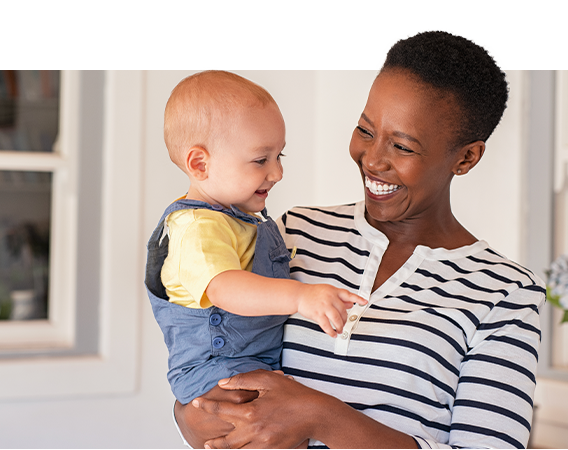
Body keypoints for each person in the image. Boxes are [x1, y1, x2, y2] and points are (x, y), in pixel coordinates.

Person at [173, 30, 546, 450]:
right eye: (365, 131)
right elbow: (208, 343)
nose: (372, 159)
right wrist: (187, 415)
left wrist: (321, 416)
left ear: (466, 158)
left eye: (402, 146)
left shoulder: (505, 293)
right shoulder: (289, 233)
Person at [144, 71, 366, 425]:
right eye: (261, 160)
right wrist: (300, 297)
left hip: (251, 364)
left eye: (280, 156)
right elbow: (226, 288)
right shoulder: (196, 228)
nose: (276, 172)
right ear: (200, 164)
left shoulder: (238, 218)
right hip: (218, 374)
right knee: (277, 429)